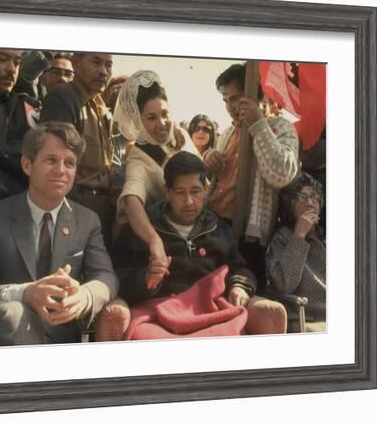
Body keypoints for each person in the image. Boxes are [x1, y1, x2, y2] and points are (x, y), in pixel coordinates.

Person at [103, 152, 286, 340]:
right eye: (180, 192)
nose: (189, 201)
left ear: (206, 188)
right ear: (167, 191)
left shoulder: (218, 227)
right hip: (157, 313)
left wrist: (239, 286)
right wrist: (146, 278)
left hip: (211, 310)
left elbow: (238, 268)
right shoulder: (143, 227)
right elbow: (118, 274)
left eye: (196, 191)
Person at [0, 122, 119, 346]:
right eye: (51, 160)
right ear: (27, 165)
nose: (61, 170)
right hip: (6, 342)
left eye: (70, 163)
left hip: (60, 340)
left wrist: (83, 297)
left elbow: (106, 277)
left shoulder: (87, 221)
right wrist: (24, 293)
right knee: (15, 313)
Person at [204, 63, 299, 290]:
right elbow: (213, 181)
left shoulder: (281, 128)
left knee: (243, 296)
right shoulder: (228, 132)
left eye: (235, 98)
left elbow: (281, 174)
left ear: (259, 96)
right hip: (214, 225)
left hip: (249, 237)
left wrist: (258, 125)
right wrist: (208, 158)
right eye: (226, 100)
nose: (230, 107)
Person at [114, 70, 199, 280]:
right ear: (138, 121)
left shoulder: (182, 136)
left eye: (165, 114)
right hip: (167, 245)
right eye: (151, 118)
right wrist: (154, 240)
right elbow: (131, 199)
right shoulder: (138, 158)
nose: (161, 123)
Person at [39, 52, 116, 247]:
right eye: (96, 62)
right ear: (76, 62)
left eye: (108, 65)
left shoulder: (100, 107)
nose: (103, 71)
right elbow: (55, 164)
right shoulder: (63, 97)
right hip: (73, 205)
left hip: (100, 205)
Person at [266, 172, 326, 332]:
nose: (310, 203)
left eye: (315, 197)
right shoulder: (282, 238)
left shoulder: (326, 236)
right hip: (309, 317)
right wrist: (299, 235)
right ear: (289, 204)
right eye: (302, 197)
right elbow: (284, 285)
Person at [0, 47, 35, 203]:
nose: (12, 69)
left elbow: (37, 159)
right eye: (3, 60)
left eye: (17, 62)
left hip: (11, 210)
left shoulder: (25, 107)